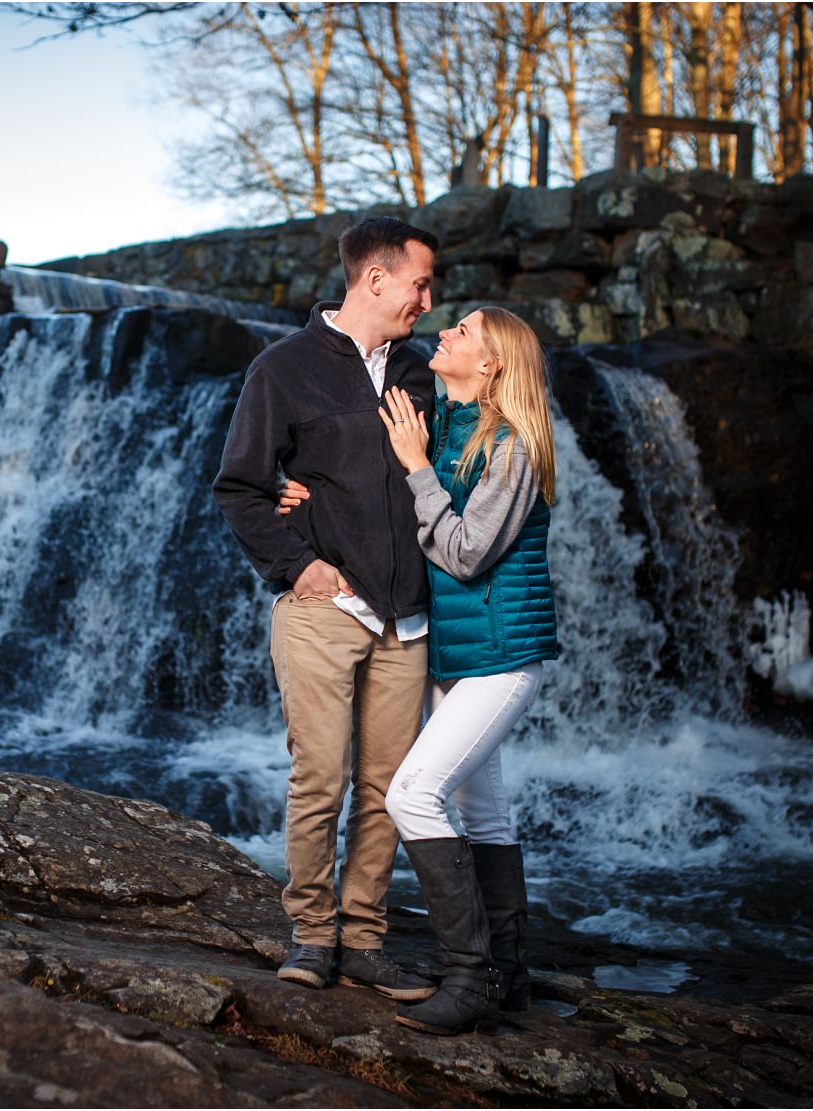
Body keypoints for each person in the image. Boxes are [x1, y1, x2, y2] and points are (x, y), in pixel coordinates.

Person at [279, 306, 559, 1035]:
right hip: (453, 654)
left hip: (499, 657)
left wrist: (415, 465)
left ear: (493, 362)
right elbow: (381, 499)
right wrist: (299, 495)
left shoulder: (514, 448)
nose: (444, 331)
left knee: (410, 794)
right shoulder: (446, 421)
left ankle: (470, 976)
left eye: (463, 331)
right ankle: (510, 977)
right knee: (484, 811)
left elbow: (464, 551)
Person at [211, 216, 441, 1001]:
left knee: (388, 787)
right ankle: (311, 934)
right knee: (320, 777)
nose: (427, 298)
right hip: (323, 607)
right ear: (373, 279)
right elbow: (239, 485)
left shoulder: (419, 371)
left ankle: (366, 938)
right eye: (419, 282)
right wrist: (298, 565)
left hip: (406, 615)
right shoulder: (282, 369)